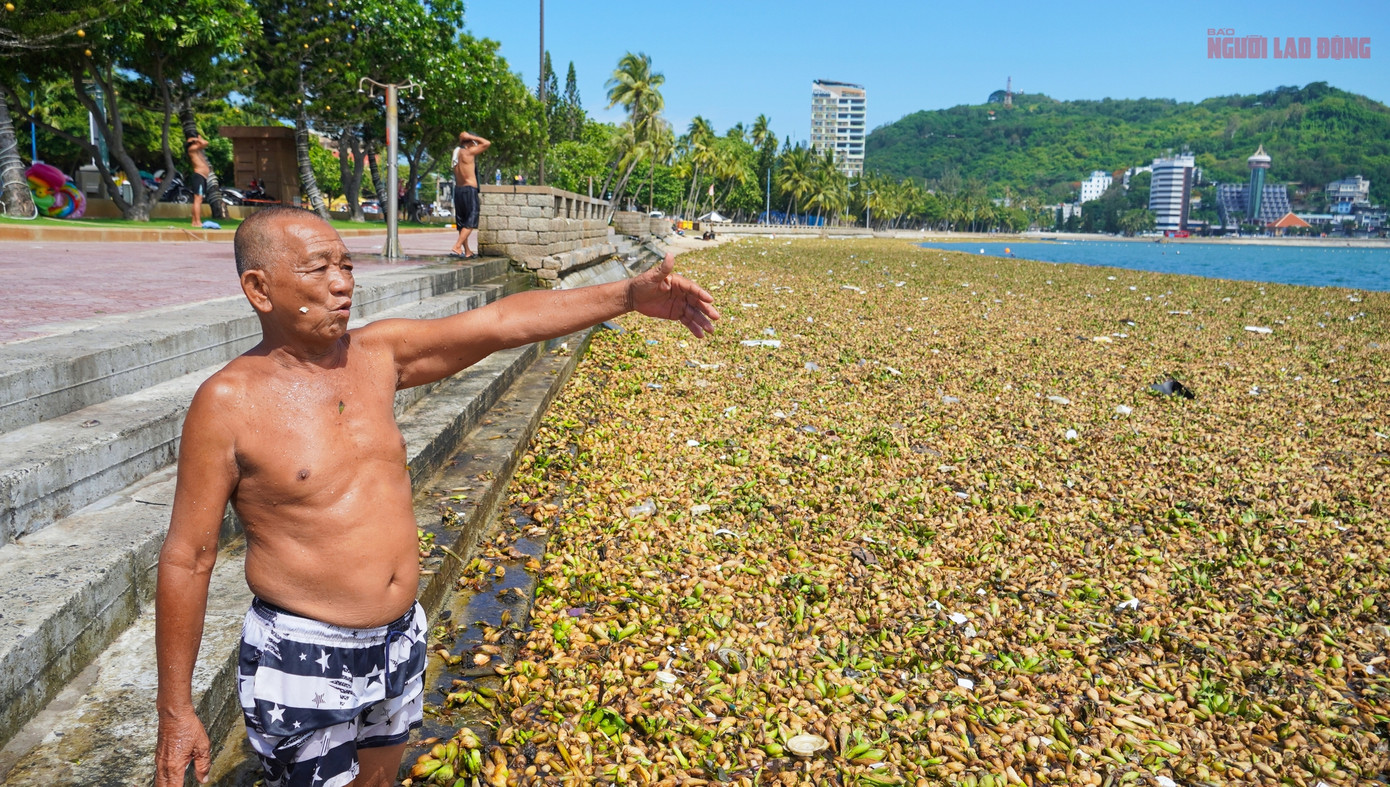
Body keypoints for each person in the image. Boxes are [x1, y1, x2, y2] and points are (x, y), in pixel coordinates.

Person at [153, 206, 718, 787]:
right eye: (319, 269)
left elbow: (501, 322)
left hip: (399, 636)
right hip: (304, 650)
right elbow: (187, 558)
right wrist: (176, 711)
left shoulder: (376, 355)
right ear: (259, 289)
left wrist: (626, 295)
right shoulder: (228, 402)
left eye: (347, 266)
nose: (342, 283)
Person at [449, 131, 490, 258]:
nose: (476, 145)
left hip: (458, 190)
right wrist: (471, 137)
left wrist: (465, 138)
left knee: (462, 222)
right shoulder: (469, 152)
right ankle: (457, 246)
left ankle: (467, 251)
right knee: (471, 220)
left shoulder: (456, 154)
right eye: (474, 143)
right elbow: (487, 143)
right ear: (471, 143)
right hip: (469, 190)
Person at [186, 135, 212, 228]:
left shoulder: (198, 150)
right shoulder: (192, 148)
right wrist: (198, 139)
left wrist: (197, 139)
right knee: (198, 199)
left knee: (199, 199)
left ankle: (195, 221)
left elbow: (205, 144)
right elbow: (205, 142)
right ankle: (197, 221)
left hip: (202, 177)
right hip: (199, 175)